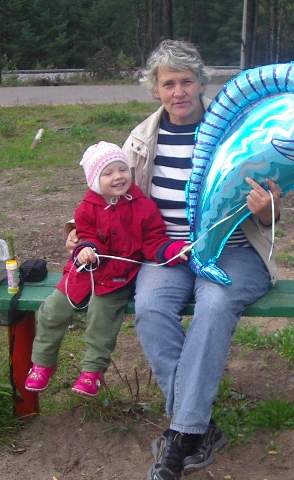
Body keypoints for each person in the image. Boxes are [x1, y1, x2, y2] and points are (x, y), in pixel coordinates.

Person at [66, 40, 281, 480]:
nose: (179, 91)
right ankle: (197, 428)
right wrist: (80, 232)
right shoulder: (141, 141)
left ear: (202, 84)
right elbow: (108, 198)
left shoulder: (237, 133)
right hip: (162, 250)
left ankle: (181, 434)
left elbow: (272, 213)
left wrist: (267, 209)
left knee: (214, 305)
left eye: (186, 81)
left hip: (233, 250)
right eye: (168, 84)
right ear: (156, 90)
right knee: (149, 306)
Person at [26, 141, 188, 398]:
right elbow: (86, 235)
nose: (118, 177)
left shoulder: (143, 206)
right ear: (94, 180)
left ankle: (93, 370)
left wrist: (171, 250)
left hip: (117, 277)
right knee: (52, 310)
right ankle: (42, 363)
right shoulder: (87, 207)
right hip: (84, 273)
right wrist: (85, 249)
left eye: (122, 169)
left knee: (101, 318)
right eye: (108, 173)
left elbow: (153, 239)